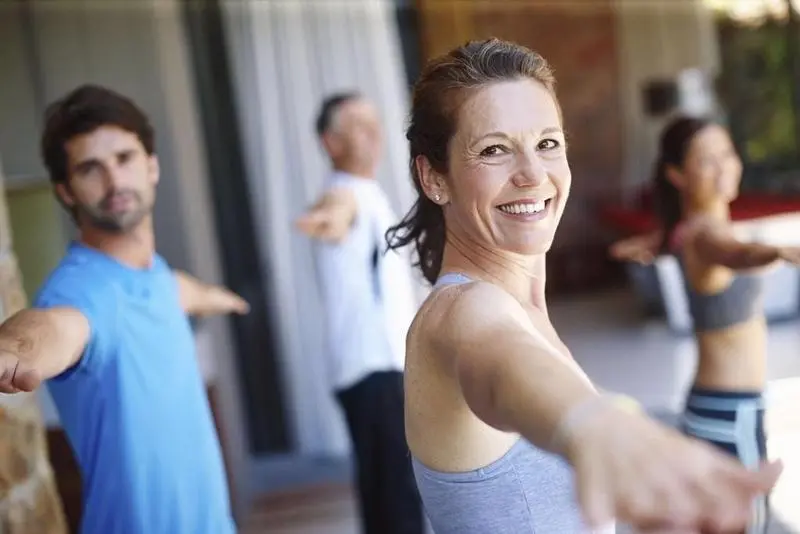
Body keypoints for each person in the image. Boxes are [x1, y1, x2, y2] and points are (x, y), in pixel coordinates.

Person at [377, 38, 782, 533]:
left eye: (547, 143)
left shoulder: (520, 309)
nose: (532, 174)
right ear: (434, 177)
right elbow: (505, 368)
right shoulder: (461, 312)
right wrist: (595, 423)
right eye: (494, 150)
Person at [0, 85, 249, 534]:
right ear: (66, 191)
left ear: (151, 166)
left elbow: (180, 291)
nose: (115, 182)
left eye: (124, 158)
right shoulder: (79, 293)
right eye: (90, 169)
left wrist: (220, 298)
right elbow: (53, 328)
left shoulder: (156, 276)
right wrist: (14, 348)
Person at [610, 115, 800, 533]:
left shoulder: (683, 229)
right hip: (730, 413)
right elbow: (734, 252)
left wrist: (640, 246)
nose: (723, 167)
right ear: (677, 174)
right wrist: (779, 251)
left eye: (727, 154)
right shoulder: (705, 234)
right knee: (749, 525)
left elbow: (683, 240)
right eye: (706, 160)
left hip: (722, 407)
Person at [295, 93, 425, 534]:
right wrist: (326, 220)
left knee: (387, 495)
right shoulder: (343, 193)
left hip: (381, 370)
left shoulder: (369, 192)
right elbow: (334, 212)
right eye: (355, 124)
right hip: (372, 371)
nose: (371, 131)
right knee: (397, 498)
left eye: (374, 120)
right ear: (330, 142)